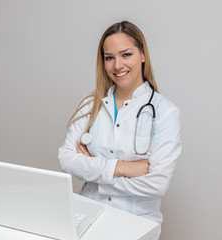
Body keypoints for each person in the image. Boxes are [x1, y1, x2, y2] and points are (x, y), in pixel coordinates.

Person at [58, 21, 182, 230]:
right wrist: (121, 167)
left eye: (126, 54)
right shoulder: (91, 104)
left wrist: (96, 174)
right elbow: (67, 159)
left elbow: (158, 183)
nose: (117, 65)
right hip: (86, 212)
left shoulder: (165, 112)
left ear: (142, 55)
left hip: (136, 221)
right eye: (109, 58)